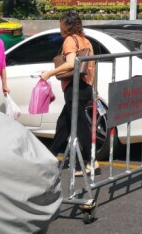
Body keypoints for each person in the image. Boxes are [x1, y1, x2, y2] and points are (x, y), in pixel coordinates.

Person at [41, 11, 98, 176]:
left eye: (61, 24)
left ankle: (91, 162)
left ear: (66, 26)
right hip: (85, 86)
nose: (60, 27)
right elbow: (90, 66)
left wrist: (49, 73)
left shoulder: (69, 40)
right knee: (63, 124)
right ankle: (51, 155)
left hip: (75, 88)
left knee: (81, 127)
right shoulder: (85, 41)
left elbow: (71, 64)